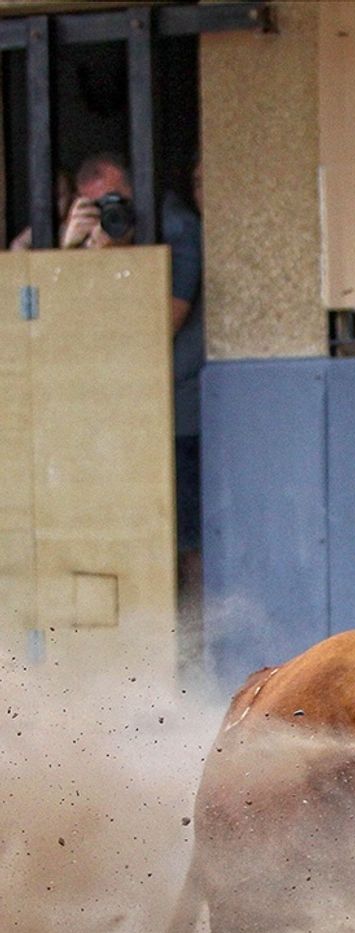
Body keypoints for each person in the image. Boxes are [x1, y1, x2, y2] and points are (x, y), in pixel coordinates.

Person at [59, 152, 205, 605]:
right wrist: (68, 252)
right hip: (110, 407)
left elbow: (162, 323)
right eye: (96, 205)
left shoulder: (173, 225)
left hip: (175, 406)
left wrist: (121, 262)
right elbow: (55, 325)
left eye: (116, 200)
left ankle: (194, 647)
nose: (110, 214)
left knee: (185, 542)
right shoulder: (80, 239)